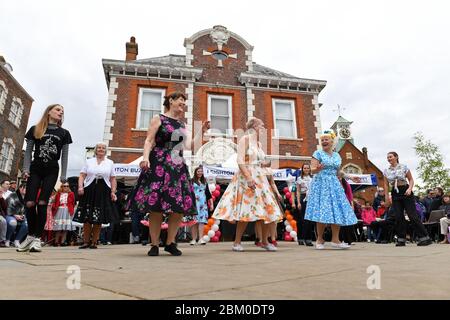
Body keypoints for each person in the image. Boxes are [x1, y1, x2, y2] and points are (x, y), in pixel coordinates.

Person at [129, 92, 209, 256]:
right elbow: (149, 140)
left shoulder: (181, 124)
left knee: (177, 207)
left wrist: (201, 130)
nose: (183, 104)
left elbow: (189, 146)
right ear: (170, 101)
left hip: (177, 164)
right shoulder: (159, 118)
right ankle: (154, 244)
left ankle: (170, 242)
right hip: (158, 162)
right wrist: (145, 158)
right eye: (181, 100)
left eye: (184, 102)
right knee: (156, 206)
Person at [212, 118, 283, 252]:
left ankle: (265, 241)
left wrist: (265, 164)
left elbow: (258, 161)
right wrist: (248, 177)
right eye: (261, 125)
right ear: (254, 126)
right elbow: (240, 159)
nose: (263, 127)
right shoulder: (245, 139)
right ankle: (237, 242)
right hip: (247, 177)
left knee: (266, 208)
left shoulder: (259, 144)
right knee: (245, 209)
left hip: (260, 178)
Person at [17, 104, 72, 252]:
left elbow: (65, 155)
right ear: (49, 112)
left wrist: (64, 175)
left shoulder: (64, 133)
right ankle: (30, 235)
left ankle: (37, 239)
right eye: (58, 109)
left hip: (52, 170)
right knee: (29, 202)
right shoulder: (36, 129)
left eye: (62, 110)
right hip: (35, 169)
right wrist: (26, 169)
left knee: (42, 203)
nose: (61, 112)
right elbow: (28, 151)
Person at [305, 130, 360, 250]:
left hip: (334, 184)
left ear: (332, 141)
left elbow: (338, 172)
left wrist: (350, 177)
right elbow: (311, 170)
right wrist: (317, 169)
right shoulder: (317, 153)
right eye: (322, 140)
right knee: (323, 211)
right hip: (321, 184)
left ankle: (336, 240)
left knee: (337, 210)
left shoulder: (337, 156)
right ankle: (320, 239)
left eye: (326, 139)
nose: (324, 141)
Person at [73, 142, 118, 249]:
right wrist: (80, 187)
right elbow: (82, 175)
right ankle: (85, 241)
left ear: (105, 151)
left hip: (103, 190)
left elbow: (113, 178)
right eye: (99, 148)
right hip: (89, 188)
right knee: (87, 217)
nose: (101, 149)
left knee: (99, 217)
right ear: (95, 150)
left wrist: (113, 191)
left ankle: (94, 242)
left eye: (103, 148)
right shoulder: (89, 161)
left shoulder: (110, 162)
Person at [383, 151, 432, 246]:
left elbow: (411, 179)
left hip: (405, 190)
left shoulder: (404, 167)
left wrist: (410, 188)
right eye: (388, 157)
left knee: (412, 215)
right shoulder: (386, 170)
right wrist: (386, 197)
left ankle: (425, 237)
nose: (389, 159)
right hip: (395, 192)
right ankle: (401, 239)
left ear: (396, 157)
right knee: (398, 216)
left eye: (391, 157)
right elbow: (385, 184)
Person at [190, 166, 213, 245]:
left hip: (203, 204)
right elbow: (189, 192)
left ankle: (200, 238)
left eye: (201, 171)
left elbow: (208, 194)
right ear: (195, 172)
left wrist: (211, 204)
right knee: (194, 222)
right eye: (198, 171)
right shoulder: (191, 181)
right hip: (194, 203)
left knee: (201, 222)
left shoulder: (204, 181)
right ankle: (193, 239)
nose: (200, 173)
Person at [295, 163, 314, 246]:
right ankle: (301, 238)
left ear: (310, 169)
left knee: (310, 220)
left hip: (311, 198)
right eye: (304, 168)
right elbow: (298, 191)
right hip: (303, 198)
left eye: (307, 168)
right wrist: (298, 202)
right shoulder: (299, 178)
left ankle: (308, 239)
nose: (306, 169)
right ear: (302, 169)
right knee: (302, 220)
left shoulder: (313, 178)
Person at [5, 182, 28, 247]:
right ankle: (7, 239)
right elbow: (9, 207)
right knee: (12, 222)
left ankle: (17, 240)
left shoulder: (27, 197)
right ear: (20, 188)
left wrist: (23, 215)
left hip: (21, 216)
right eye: (26, 188)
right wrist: (15, 215)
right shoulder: (12, 195)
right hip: (10, 215)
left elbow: (27, 209)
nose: (27, 190)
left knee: (28, 223)